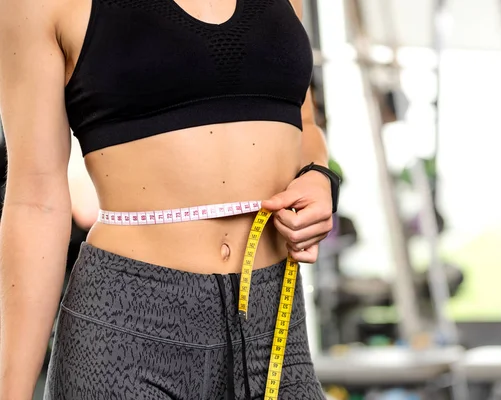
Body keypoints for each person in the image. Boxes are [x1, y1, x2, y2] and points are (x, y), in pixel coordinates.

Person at [0, 0, 341, 398]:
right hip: (129, 328)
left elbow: (303, 125)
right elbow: (35, 200)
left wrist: (319, 177)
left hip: (275, 323)